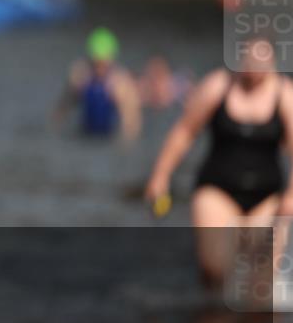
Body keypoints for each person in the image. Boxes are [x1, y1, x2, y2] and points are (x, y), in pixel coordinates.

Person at [144, 36, 293, 289]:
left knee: (261, 283)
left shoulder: (285, 95)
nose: (253, 63)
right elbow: (184, 132)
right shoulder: (217, 85)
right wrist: (160, 176)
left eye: (261, 57)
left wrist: (290, 196)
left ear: (272, 60)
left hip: (267, 198)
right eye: (249, 55)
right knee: (216, 271)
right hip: (217, 191)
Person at [53, 27, 141, 142]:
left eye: (103, 62)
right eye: (96, 62)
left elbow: (131, 120)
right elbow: (63, 106)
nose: (100, 67)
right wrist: (54, 128)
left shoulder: (120, 81)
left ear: (111, 58)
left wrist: (126, 141)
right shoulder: (81, 75)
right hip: (84, 135)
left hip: (109, 137)